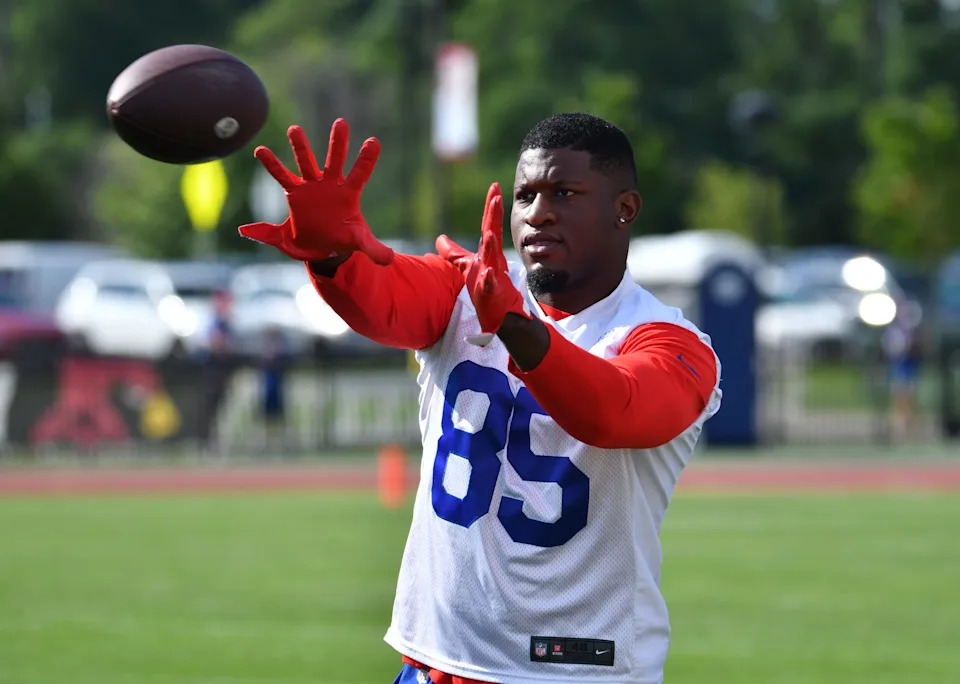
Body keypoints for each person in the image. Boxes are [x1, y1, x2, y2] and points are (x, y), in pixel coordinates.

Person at [239, 113, 722, 684]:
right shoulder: (467, 288)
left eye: (565, 193)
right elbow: (383, 298)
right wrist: (332, 257)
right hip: (435, 664)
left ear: (625, 209)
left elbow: (611, 410)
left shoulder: (671, 341)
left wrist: (516, 326)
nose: (538, 212)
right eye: (525, 195)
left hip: (575, 671)